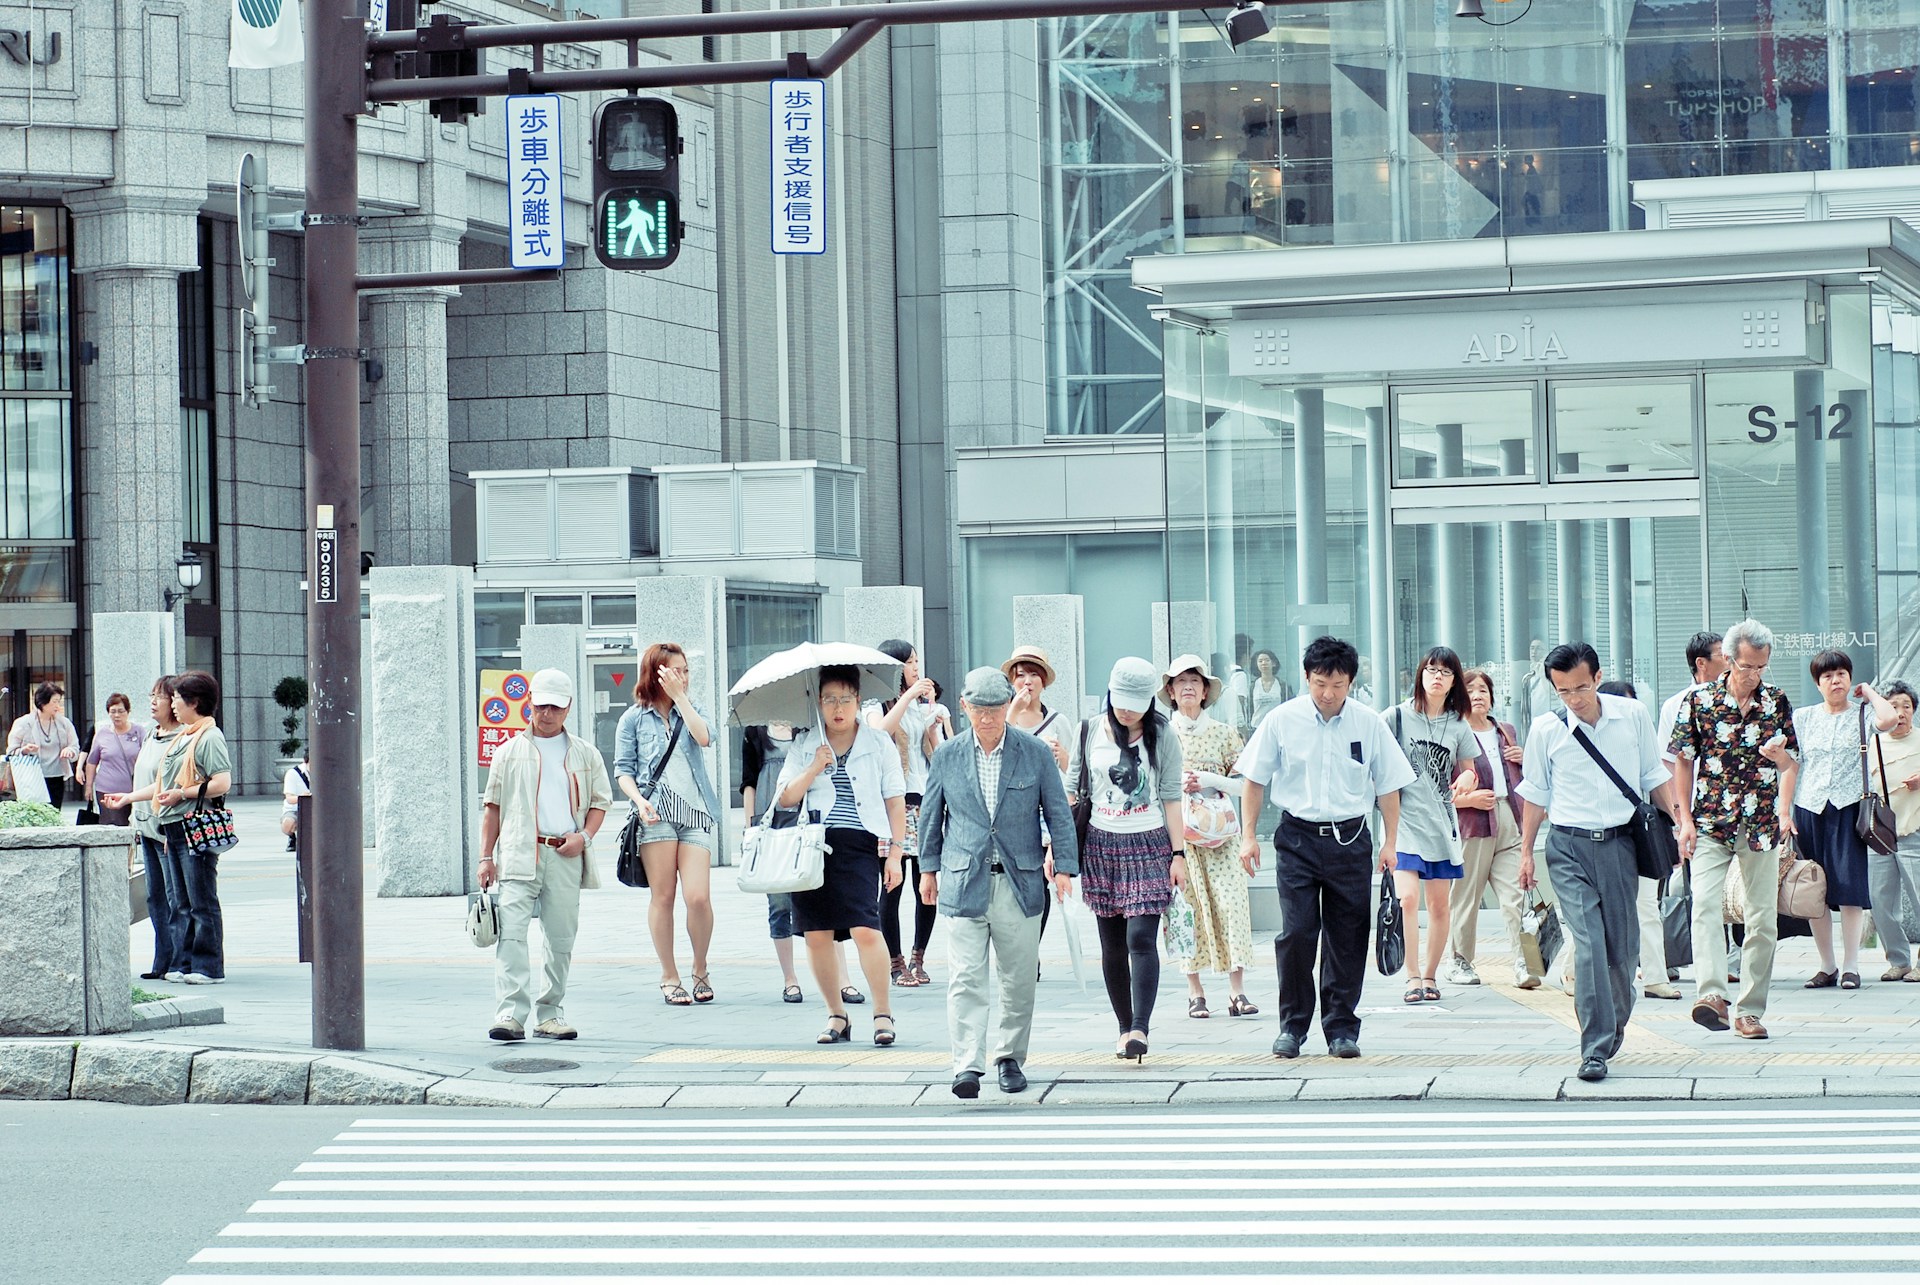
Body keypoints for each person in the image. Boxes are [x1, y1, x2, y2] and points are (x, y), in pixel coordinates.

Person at [1236, 636, 1415, 1060]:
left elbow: (1389, 785)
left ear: (1351, 681)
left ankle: (1341, 1028)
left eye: (1337, 684)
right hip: (1297, 836)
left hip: (1351, 838)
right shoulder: (1282, 719)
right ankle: (1292, 1027)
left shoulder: (1368, 722)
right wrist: (1246, 836)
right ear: (1306, 677)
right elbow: (1253, 780)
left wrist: (1391, 842)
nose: (1328, 694)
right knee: (1297, 932)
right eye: (1319, 683)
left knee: (1348, 935)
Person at [1515, 643, 1672, 1083]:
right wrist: (1527, 852)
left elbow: (1652, 776)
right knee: (1587, 944)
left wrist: (1680, 823)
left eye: (1580, 687)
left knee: (1621, 951)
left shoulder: (1632, 716)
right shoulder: (1547, 729)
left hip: (1620, 845)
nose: (1574, 698)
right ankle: (1595, 1047)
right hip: (1567, 847)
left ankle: (1614, 1021)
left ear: (1598, 678)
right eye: (1562, 691)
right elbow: (1535, 795)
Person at [919, 667, 1079, 1098]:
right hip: (962, 878)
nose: (987, 718)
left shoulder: (1034, 752)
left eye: (995, 709)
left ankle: (1009, 1057)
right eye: (978, 710)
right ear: (964, 707)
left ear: (1009, 705)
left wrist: (1064, 866)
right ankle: (967, 1064)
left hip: (1020, 879)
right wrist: (928, 870)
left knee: (1019, 976)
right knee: (965, 976)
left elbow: (1058, 814)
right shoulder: (948, 755)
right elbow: (932, 817)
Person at [1670, 619, 1799, 1040]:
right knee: (1705, 906)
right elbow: (1683, 760)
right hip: (1710, 821)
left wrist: (1780, 777)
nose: (1754, 675)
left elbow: (1790, 764)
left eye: (1762, 667)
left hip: (1760, 823)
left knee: (1761, 919)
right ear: (1728, 659)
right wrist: (1684, 820)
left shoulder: (1777, 701)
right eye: (1747, 666)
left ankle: (1749, 1011)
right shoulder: (1699, 701)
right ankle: (1711, 997)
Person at [475, 668, 612, 1041]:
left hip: (565, 852)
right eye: (540, 706)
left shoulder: (585, 753)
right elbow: (493, 807)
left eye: (554, 707)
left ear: (567, 708)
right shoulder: (508, 752)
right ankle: (510, 1015)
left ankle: (550, 1013)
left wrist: (583, 837)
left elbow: (601, 802)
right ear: (529, 706)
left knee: (561, 938)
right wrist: (486, 857)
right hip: (520, 852)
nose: (546, 714)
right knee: (512, 936)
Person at [777, 664, 908, 1046]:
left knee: (866, 928)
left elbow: (894, 801)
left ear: (857, 701)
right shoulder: (805, 744)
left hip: (860, 845)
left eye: (846, 699)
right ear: (818, 702)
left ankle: (883, 1014)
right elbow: (786, 797)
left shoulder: (877, 742)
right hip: (813, 845)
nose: (838, 708)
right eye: (830, 699)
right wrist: (815, 765)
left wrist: (896, 853)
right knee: (816, 935)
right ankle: (837, 1015)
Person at [1068, 657, 1186, 1061]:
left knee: (1140, 936)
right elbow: (1072, 790)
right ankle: (1123, 1027)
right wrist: (1061, 849)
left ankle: (1141, 1027)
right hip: (1101, 843)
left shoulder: (1163, 734)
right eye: (1120, 701)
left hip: (1150, 843)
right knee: (1112, 944)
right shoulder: (1089, 730)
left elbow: (1171, 795)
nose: (1126, 710)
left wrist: (1179, 853)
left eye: (1135, 703)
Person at [103, 670, 231, 985]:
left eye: (176, 698)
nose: (172, 704)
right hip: (171, 824)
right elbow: (162, 784)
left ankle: (209, 966)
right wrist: (129, 797)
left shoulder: (209, 736)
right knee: (182, 901)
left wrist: (182, 794)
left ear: (194, 702)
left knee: (201, 900)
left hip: (192, 826)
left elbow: (221, 782)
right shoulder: (185, 735)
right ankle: (185, 963)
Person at [614, 642, 723, 1006]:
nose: (682, 677)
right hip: (655, 813)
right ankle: (669, 974)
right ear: (654, 673)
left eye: (685, 670)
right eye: (674, 670)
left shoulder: (692, 710)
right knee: (663, 896)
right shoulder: (632, 718)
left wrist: (682, 699)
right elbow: (623, 771)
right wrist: (639, 800)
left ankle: (701, 967)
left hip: (694, 812)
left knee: (699, 896)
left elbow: (705, 737)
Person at [1790, 650, 1896, 990]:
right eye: (1827, 676)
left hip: (1849, 808)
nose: (1835, 681)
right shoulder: (1803, 718)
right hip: (1809, 808)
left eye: (1841, 674)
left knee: (1849, 888)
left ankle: (1852, 965)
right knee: (1813, 890)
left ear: (1850, 679)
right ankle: (1827, 965)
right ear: (1817, 683)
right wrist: (1783, 812)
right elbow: (1791, 765)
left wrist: (1871, 694)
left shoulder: (1863, 714)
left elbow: (1890, 720)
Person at [1384, 646, 1480, 1005]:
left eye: (1445, 672)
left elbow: (1469, 768)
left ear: (1454, 680)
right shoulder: (1395, 717)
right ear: (1420, 674)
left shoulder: (1458, 724)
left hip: (1441, 825)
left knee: (1439, 906)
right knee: (1407, 899)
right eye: (1431, 669)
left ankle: (1429, 975)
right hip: (1404, 823)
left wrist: (1468, 780)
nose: (1437, 677)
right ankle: (1411, 975)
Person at [1161, 655, 1256, 1019]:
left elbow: (1246, 783)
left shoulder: (1224, 732)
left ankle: (1237, 991)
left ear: (1205, 691)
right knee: (1187, 910)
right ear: (1170, 691)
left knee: (1232, 906)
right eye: (1180, 681)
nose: (1188, 687)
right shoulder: (1162, 734)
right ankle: (1194, 991)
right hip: (1179, 841)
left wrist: (1210, 781)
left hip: (1222, 837)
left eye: (1194, 681)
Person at [1652, 632, 1730, 993]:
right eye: (1722, 656)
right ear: (1702, 663)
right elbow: (1669, 764)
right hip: (1697, 815)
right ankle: (1704, 963)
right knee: (1699, 892)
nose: (1729, 662)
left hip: (1735, 812)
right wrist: (1679, 815)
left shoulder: (1741, 697)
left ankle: (1729, 958)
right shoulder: (1677, 705)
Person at [1448, 668, 1532, 989]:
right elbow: (1438, 788)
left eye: (1483, 689)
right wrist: (1468, 800)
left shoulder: (1505, 730)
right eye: (1470, 690)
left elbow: (1525, 777)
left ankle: (1525, 962)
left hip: (1509, 817)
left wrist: (1525, 758)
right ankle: (1460, 962)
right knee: (1466, 897)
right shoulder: (1453, 732)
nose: (1478, 695)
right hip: (1472, 822)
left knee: (1516, 896)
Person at [871, 639, 946, 988]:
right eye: (910, 662)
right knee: (893, 884)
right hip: (893, 804)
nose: (917, 667)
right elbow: (879, 733)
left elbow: (938, 753)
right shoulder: (875, 704)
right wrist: (908, 696)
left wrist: (935, 724)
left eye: (918, 661)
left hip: (925, 798)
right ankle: (895, 962)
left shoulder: (918, 707)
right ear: (894, 666)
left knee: (925, 882)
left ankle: (919, 957)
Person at [1003, 645, 1071, 945]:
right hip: (1008, 813)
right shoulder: (1002, 716)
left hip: (1044, 814)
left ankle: (1031, 948)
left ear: (1044, 681)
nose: (1027, 681)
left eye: (1034, 675)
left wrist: (1063, 755)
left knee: (1038, 884)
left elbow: (1073, 774)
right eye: (1020, 675)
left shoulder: (1058, 721)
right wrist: (1014, 711)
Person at [743, 722, 808, 1003]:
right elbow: (749, 783)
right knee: (779, 902)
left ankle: (842, 979)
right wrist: (750, 829)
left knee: (820, 896)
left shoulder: (806, 728)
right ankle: (790, 979)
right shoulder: (754, 732)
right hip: (769, 823)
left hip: (806, 819)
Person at [128, 678, 184, 982]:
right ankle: (162, 959)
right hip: (145, 826)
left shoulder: (180, 739)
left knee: (174, 898)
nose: (153, 702)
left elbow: (168, 785)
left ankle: (178, 959)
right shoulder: (153, 734)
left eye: (159, 697)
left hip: (165, 830)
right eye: (151, 696)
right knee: (154, 898)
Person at [1868, 681, 1920, 982]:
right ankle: (1898, 960)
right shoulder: (1872, 744)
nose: (1900, 713)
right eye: (1893, 706)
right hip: (1880, 833)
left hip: (1915, 829)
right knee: (1880, 901)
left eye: (1906, 706)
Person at [7, 681, 80, 808]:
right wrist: (24, 750)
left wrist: (70, 751)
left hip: (57, 776)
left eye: (59, 701)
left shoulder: (64, 723)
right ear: (42, 702)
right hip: (32, 777)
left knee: (54, 813)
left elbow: (75, 748)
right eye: (54, 702)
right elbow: (11, 751)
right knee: (36, 815)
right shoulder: (24, 723)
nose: (58, 706)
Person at [77, 693, 145, 827]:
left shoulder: (139, 731)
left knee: (135, 828)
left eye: (121, 711)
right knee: (113, 826)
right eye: (112, 712)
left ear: (128, 711)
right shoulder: (102, 733)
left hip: (135, 790)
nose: (116, 715)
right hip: (107, 790)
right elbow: (92, 762)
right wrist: (89, 786)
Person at [1248, 649, 1290, 728]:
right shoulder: (1253, 686)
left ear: (1273, 663)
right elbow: (1249, 708)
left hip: (1277, 726)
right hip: (1257, 727)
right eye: (1260, 661)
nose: (1264, 663)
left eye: (1267, 660)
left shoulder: (1282, 685)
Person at [280, 756, 311, 852]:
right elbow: (289, 798)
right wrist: (302, 797)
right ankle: (292, 836)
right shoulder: (293, 773)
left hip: (317, 809)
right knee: (288, 822)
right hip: (295, 809)